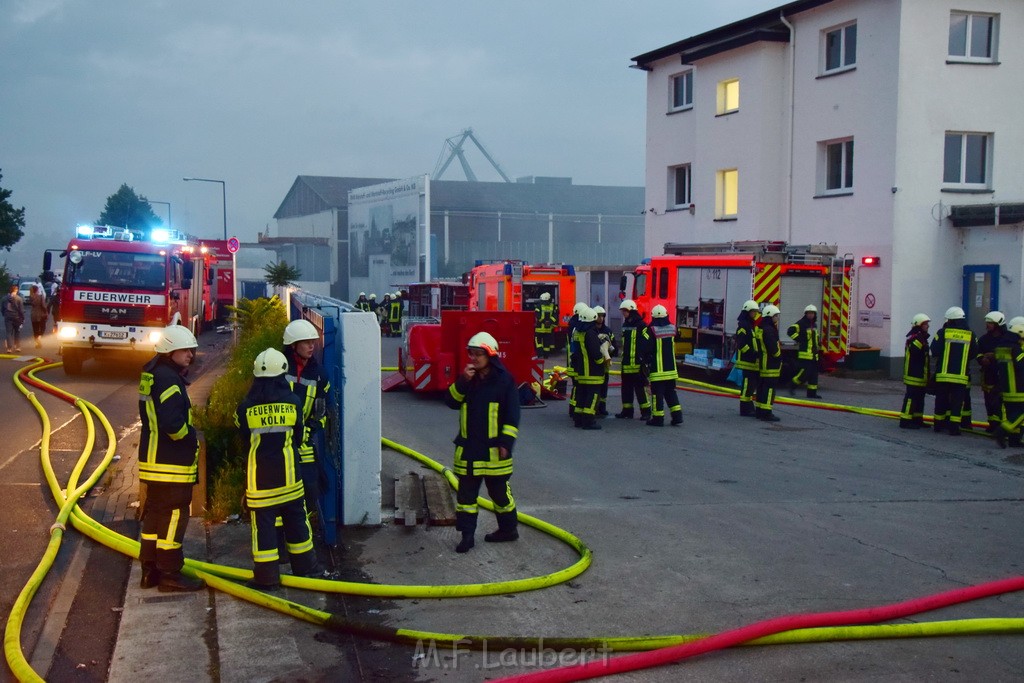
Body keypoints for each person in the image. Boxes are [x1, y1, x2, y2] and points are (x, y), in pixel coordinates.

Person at [236, 348, 320, 589]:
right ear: (283, 375)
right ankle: (306, 570)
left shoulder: (245, 408)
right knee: (297, 524)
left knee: (263, 531)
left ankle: (267, 579)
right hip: (290, 481)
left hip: (260, 484)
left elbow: (242, 437)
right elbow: (298, 436)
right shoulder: (293, 403)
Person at [137, 325, 204, 592]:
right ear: (169, 351)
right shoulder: (169, 380)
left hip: (153, 460)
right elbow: (173, 425)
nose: (190, 355)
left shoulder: (152, 374)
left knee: (154, 514)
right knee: (175, 515)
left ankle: (149, 571)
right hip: (171, 463)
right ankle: (170, 574)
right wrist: (191, 438)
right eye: (185, 350)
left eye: (191, 350)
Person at [445, 332, 521, 553]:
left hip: (495, 452)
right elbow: (450, 402)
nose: (474, 358)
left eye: (479, 354)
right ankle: (467, 536)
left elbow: (512, 416)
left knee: (500, 495)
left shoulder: (505, 381)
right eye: (472, 354)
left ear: (491, 355)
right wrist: (462, 381)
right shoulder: (468, 380)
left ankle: (508, 529)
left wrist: (506, 442)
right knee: (466, 497)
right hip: (469, 451)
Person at [282, 319, 332, 543]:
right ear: (293, 345)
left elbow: (322, 413)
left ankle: (307, 537)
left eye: (313, 342)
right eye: (305, 343)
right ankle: (282, 538)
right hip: (279, 442)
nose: (311, 346)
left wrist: (310, 430)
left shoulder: (320, 374)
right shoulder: (279, 368)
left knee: (311, 489)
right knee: (281, 492)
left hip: (304, 443)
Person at [930, 306, 977, 436]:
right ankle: (954, 428)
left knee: (941, 400)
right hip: (960, 376)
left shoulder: (942, 332)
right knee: (957, 403)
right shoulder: (970, 334)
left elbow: (934, 350)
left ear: (950, 320)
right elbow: (974, 352)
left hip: (943, 375)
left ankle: (938, 425)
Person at [570, 306, 608, 430]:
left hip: (581, 371)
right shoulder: (590, 333)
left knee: (581, 396)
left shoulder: (577, 332)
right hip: (593, 372)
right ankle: (588, 420)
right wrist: (602, 361)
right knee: (593, 396)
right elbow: (595, 353)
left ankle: (578, 419)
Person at [977, 311, 1014, 433]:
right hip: (988, 374)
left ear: (998, 324)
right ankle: (992, 424)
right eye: (987, 323)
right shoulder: (984, 339)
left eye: (990, 323)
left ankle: (1002, 426)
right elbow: (978, 352)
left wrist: (994, 355)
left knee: (1000, 402)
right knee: (989, 400)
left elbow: (1011, 353)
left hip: (1002, 374)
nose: (987, 325)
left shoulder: (1007, 338)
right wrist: (981, 359)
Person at [614, 299, 652, 420]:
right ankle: (627, 411)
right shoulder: (625, 325)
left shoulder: (641, 325)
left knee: (640, 389)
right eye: (622, 311)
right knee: (626, 389)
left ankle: (646, 412)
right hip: (626, 364)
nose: (623, 314)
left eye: (625, 311)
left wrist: (643, 358)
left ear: (631, 310)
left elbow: (647, 341)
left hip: (637, 363)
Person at [645, 304, 681, 426]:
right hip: (671, 370)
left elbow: (647, 349)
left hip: (657, 370)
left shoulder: (652, 330)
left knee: (657, 394)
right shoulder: (673, 328)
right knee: (671, 393)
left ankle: (658, 419)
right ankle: (677, 416)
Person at [995, 321, 1024, 448]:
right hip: (1018, 387)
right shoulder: (1015, 348)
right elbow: (1021, 365)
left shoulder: (1001, 347)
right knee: (1021, 413)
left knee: (1013, 413)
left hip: (1006, 387)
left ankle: (1014, 440)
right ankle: (1002, 431)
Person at [899, 313, 931, 429]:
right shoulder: (916, 338)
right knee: (911, 398)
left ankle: (917, 419)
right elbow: (917, 353)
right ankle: (905, 421)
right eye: (925, 324)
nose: (928, 326)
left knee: (919, 398)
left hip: (920, 374)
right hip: (914, 374)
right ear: (919, 324)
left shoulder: (920, 337)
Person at [755, 304, 783, 422]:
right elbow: (773, 347)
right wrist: (778, 356)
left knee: (762, 387)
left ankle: (760, 410)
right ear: (770, 316)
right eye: (775, 315)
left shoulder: (761, 328)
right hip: (771, 364)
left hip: (763, 362)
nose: (777, 318)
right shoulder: (769, 330)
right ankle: (767, 412)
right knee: (770, 388)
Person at [734, 300, 761, 417]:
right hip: (747, 361)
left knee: (751, 386)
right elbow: (741, 344)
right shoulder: (743, 325)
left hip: (752, 361)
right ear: (747, 312)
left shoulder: (750, 324)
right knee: (747, 385)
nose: (755, 314)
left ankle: (749, 406)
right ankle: (744, 409)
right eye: (753, 311)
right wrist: (751, 353)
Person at [788, 304, 822, 399]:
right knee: (805, 373)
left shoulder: (814, 324)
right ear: (806, 314)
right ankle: (793, 384)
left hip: (814, 354)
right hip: (805, 354)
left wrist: (818, 343)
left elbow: (814, 337)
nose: (811, 315)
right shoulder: (801, 323)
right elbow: (790, 331)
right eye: (809, 313)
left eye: (812, 313)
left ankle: (812, 393)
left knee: (814, 374)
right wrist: (799, 339)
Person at [592, 305, 617, 417]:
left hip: (604, 366)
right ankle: (594, 408)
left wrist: (610, 352)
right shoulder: (591, 331)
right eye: (599, 316)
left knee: (604, 388)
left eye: (603, 316)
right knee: (595, 388)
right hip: (594, 365)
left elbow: (614, 347)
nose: (601, 318)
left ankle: (602, 408)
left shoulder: (607, 331)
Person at [2, 284, 25, 352]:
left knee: (8, 332)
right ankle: (17, 346)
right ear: (16, 290)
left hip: (8, 316)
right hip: (17, 317)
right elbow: (21, 310)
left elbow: (2, 309)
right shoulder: (19, 298)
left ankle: (9, 348)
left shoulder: (4, 298)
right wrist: (23, 318)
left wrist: (4, 314)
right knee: (17, 332)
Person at [533, 292, 557, 359]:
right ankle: (546, 355)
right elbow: (555, 316)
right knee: (547, 343)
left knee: (538, 341)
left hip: (539, 328)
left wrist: (544, 321)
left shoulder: (539, 306)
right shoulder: (552, 306)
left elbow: (537, 315)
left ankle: (540, 354)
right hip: (548, 329)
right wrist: (550, 321)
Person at [29, 284, 48, 348]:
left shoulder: (31, 297)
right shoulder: (40, 296)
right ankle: (39, 337)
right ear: (37, 290)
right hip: (41, 314)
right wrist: (46, 312)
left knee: (35, 329)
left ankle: (37, 342)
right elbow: (43, 305)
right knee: (43, 327)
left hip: (33, 315)